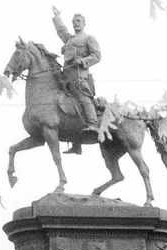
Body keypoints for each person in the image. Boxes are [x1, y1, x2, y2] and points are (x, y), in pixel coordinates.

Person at [52, 5, 101, 154]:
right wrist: (57, 17)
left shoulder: (88, 38)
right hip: (65, 76)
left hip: (80, 77)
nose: (76, 23)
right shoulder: (70, 39)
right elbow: (61, 31)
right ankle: (76, 143)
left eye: (78, 21)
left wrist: (83, 61)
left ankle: (93, 125)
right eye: (74, 21)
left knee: (82, 97)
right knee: (65, 105)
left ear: (84, 23)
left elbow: (97, 56)